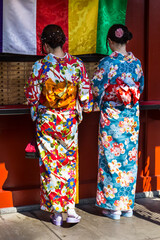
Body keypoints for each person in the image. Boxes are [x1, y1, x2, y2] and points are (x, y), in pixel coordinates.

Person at [24, 24, 93, 226]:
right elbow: (86, 96)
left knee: (51, 166)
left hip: (47, 122)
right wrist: (83, 108)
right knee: (69, 164)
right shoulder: (77, 64)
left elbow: (32, 97)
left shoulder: (40, 66)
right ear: (63, 42)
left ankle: (56, 214)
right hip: (69, 122)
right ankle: (70, 208)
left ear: (45, 45)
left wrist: (38, 112)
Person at [91, 24, 144, 220]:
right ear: (127, 40)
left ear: (111, 42)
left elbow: (96, 88)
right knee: (128, 160)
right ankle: (127, 205)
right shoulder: (136, 63)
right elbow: (141, 87)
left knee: (111, 160)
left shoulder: (106, 63)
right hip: (130, 117)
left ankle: (113, 208)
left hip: (112, 118)